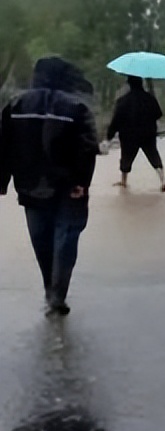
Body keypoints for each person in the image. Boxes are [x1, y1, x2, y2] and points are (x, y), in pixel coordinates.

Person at [0, 56, 100, 316]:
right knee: (65, 238)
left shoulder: (16, 105)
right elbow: (88, 148)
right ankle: (58, 293)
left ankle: (49, 289)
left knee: (41, 241)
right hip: (68, 188)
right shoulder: (77, 108)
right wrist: (81, 182)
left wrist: (2, 181)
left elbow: (3, 146)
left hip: (30, 186)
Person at [105, 75, 165, 191]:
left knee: (126, 158)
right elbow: (158, 114)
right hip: (148, 134)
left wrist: (110, 135)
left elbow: (116, 120)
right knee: (153, 156)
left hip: (129, 135)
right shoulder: (150, 98)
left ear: (129, 84)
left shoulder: (122, 101)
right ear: (141, 83)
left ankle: (124, 182)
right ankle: (163, 181)